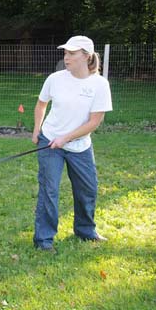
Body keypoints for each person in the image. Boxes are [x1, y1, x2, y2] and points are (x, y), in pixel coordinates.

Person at [31, 35, 112, 252]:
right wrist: (37, 129)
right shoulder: (55, 79)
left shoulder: (99, 84)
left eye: (72, 53)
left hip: (80, 146)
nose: (66, 57)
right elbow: (41, 104)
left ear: (86, 56)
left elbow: (95, 121)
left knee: (88, 189)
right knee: (49, 191)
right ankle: (44, 241)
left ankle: (85, 231)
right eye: (65, 53)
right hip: (50, 142)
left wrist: (66, 138)